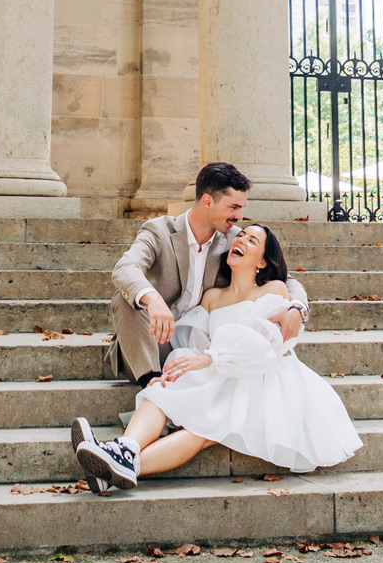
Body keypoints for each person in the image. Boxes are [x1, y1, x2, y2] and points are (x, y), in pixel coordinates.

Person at [73, 224, 360, 492]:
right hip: (216, 369)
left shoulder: (273, 290)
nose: (240, 239)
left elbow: (265, 347)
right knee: (161, 388)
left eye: (252, 240)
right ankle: (124, 448)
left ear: (262, 261)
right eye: (241, 235)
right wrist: (188, 365)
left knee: (205, 426)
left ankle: (121, 464)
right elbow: (197, 343)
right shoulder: (212, 297)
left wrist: (210, 360)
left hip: (258, 377)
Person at [106, 162, 309, 387]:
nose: (239, 216)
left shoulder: (234, 240)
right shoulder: (159, 231)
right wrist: (153, 299)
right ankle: (151, 384)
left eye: (241, 208)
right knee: (126, 298)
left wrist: (298, 309)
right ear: (207, 201)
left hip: (203, 350)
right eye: (233, 207)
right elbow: (125, 268)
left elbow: (285, 279)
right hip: (153, 342)